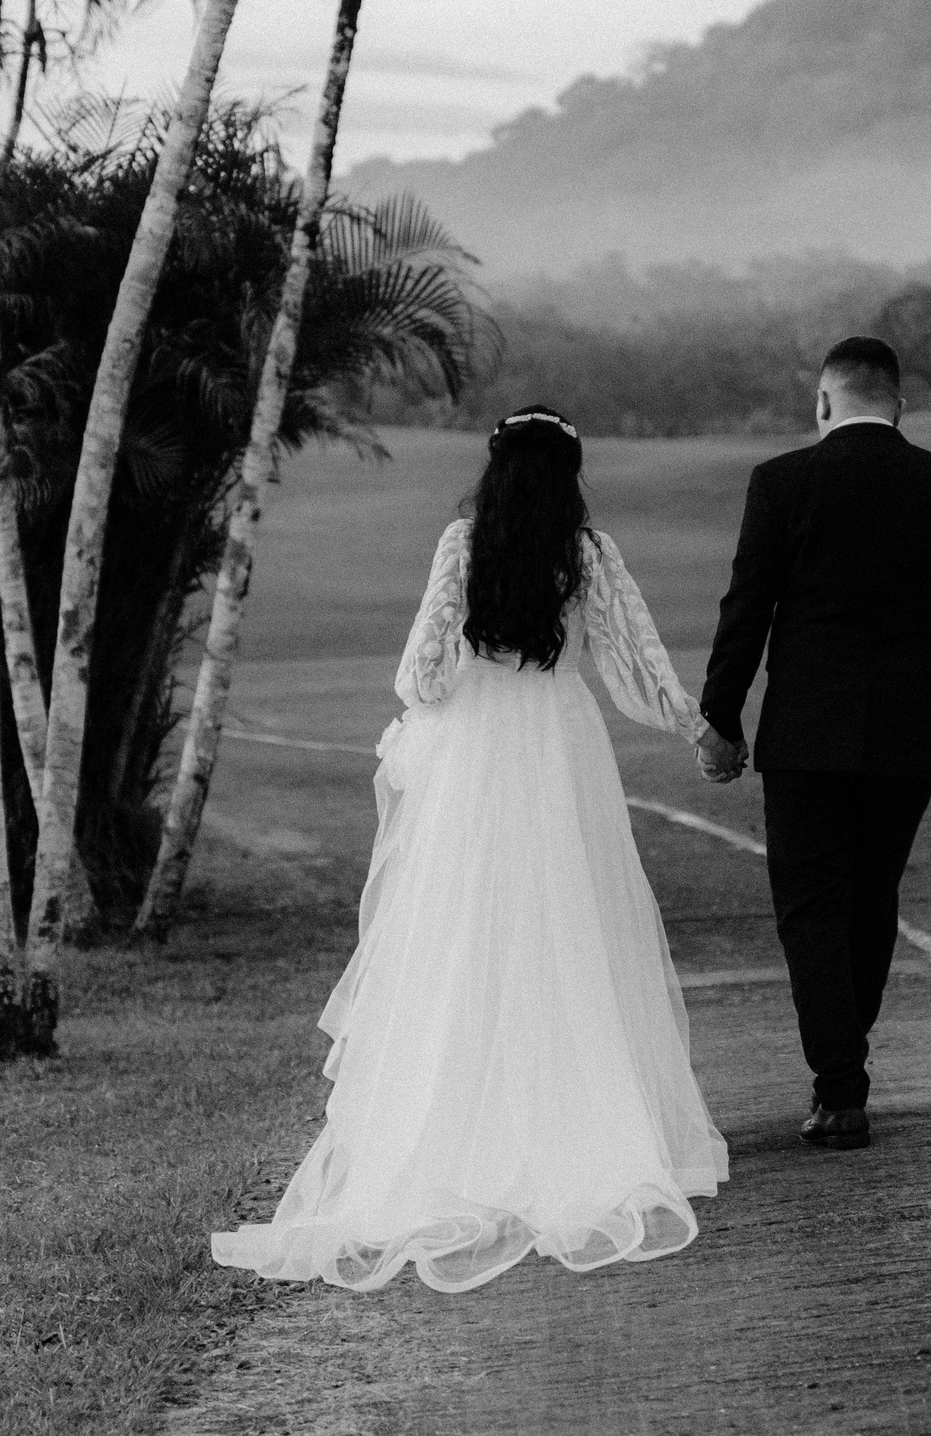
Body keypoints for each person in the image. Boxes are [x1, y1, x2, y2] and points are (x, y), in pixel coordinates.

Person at [211, 405, 731, 1293]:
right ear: (570, 474)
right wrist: (697, 726)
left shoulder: (463, 543)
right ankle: (579, 1129)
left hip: (476, 759)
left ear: (494, 471)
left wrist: (450, 680)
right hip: (562, 748)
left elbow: (421, 673)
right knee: (568, 931)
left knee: (460, 940)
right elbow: (636, 664)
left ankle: (460, 1135)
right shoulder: (589, 553)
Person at [696, 336, 931, 1152]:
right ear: (898, 403)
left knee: (811, 908)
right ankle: (841, 1064)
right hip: (905, 733)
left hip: (806, 735)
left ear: (824, 402)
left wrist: (720, 715)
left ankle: (839, 1082)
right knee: (871, 898)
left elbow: (746, 606)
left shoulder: (781, 481)